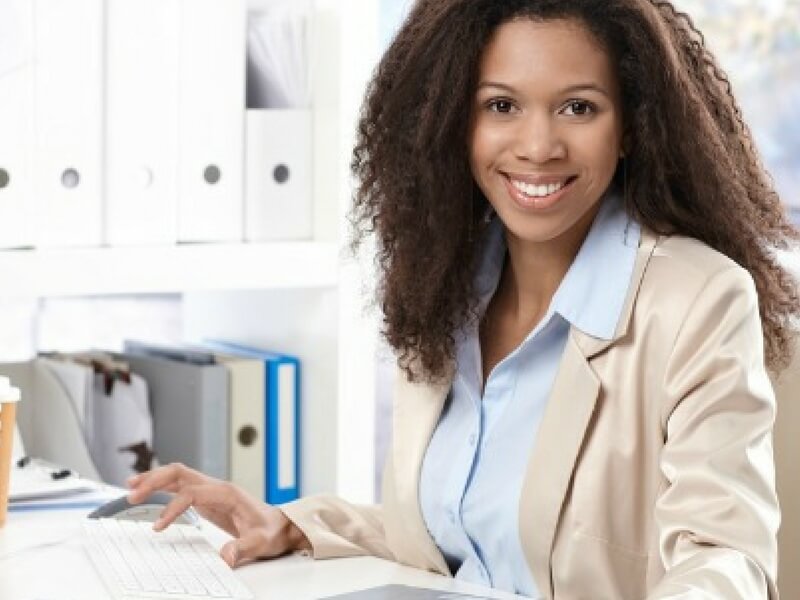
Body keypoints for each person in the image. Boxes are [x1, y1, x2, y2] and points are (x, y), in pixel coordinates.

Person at [127, 0, 800, 597]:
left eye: (579, 107)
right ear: (455, 119)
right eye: (501, 105)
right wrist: (295, 524)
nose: (538, 146)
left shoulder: (698, 300)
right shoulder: (443, 288)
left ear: (630, 127)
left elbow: (727, 560)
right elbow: (461, 538)